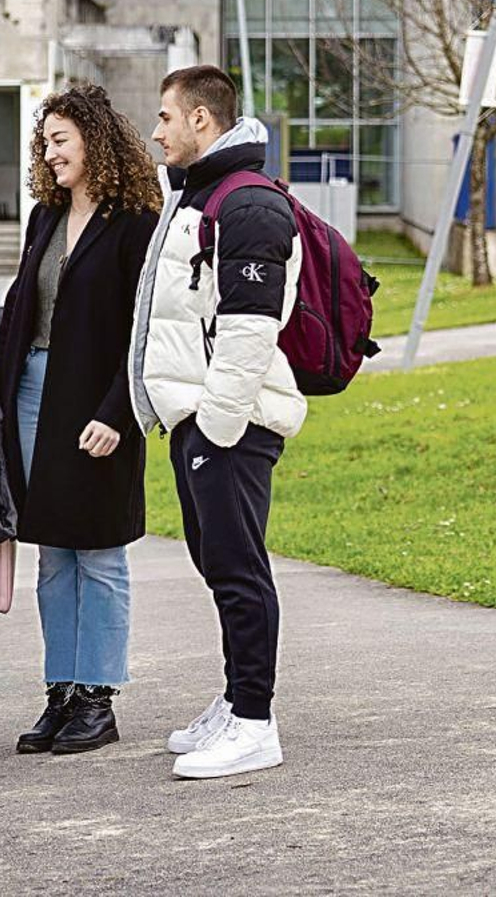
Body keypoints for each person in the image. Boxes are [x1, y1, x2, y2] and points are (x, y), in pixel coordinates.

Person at [129, 65, 305, 780]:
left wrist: (218, 427)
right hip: (196, 419)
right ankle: (236, 701)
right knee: (217, 565)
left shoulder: (249, 204)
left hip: (228, 422)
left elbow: (248, 331)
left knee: (239, 572)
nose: (157, 131)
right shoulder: (200, 195)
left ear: (201, 121)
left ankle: (256, 724)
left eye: (166, 117)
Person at [0, 85, 161, 755]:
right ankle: (61, 692)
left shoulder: (136, 222)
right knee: (53, 552)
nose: (50, 151)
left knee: (98, 551)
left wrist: (119, 410)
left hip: (97, 404)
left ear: (96, 139)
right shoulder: (45, 217)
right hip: (34, 392)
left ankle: (99, 698)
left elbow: (145, 331)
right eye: (46, 141)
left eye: (61, 139)